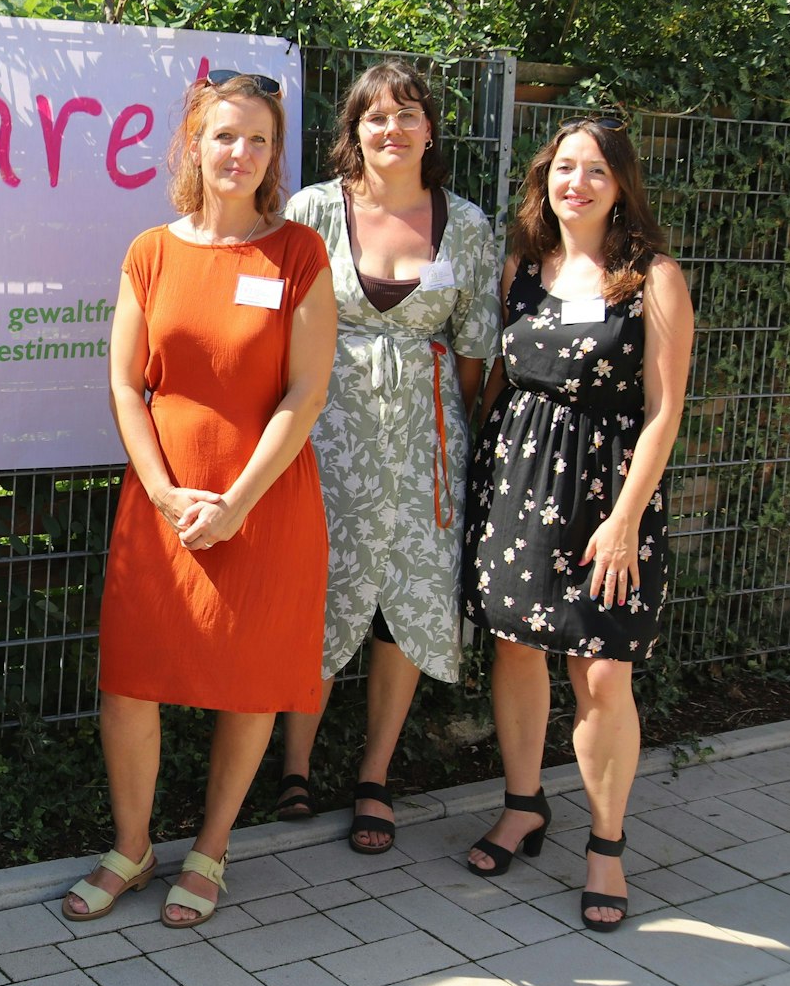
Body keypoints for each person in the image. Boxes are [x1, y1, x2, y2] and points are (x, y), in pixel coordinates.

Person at [63, 70, 335, 928]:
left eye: (258, 139)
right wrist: (159, 489)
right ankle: (132, 848)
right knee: (130, 683)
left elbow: (306, 393)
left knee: (249, 684)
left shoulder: (299, 254)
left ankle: (211, 850)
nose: (239, 153)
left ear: (274, 156)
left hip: (264, 504)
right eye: (225, 135)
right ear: (194, 144)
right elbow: (124, 383)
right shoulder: (150, 251)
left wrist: (237, 504)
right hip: (161, 506)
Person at [460, 116, 693, 933]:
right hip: (518, 482)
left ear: (621, 184)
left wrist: (626, 519)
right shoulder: (522, 266)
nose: (578, 183)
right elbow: (498, 379)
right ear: (545, 178)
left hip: (607, 496)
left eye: (596, 170)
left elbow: (664, 411)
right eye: (565, 168)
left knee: (600, 673)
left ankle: (605, 846)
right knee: (515, 648)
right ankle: (524, 804)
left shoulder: (654, 277)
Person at [275, 61, 502, 852]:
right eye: (376, 116)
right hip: (323, 438)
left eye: (408, 114)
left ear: (430, 130)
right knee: (316, 588)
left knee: (403, 599)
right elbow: (277, 330)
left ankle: (374, 775)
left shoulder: (465, 224)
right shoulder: (312, 212)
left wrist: (439, 424)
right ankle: (294, 765)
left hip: (422, 445)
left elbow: (473, 351)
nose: (393, 129)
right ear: (355, 131)